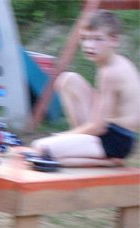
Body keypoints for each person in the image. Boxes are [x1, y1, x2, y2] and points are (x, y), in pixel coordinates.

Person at [31, 10, 140, 167]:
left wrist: (63, 136)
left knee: (40, 149)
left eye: (97, 39)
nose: (89, 45)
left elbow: (98, 126)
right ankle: (81, 146)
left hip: (116, 141)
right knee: (68, 80)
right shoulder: (112, 63)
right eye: (85, 38)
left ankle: (107, 162)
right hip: (111, 131)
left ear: (114, 40)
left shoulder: (111, 73)